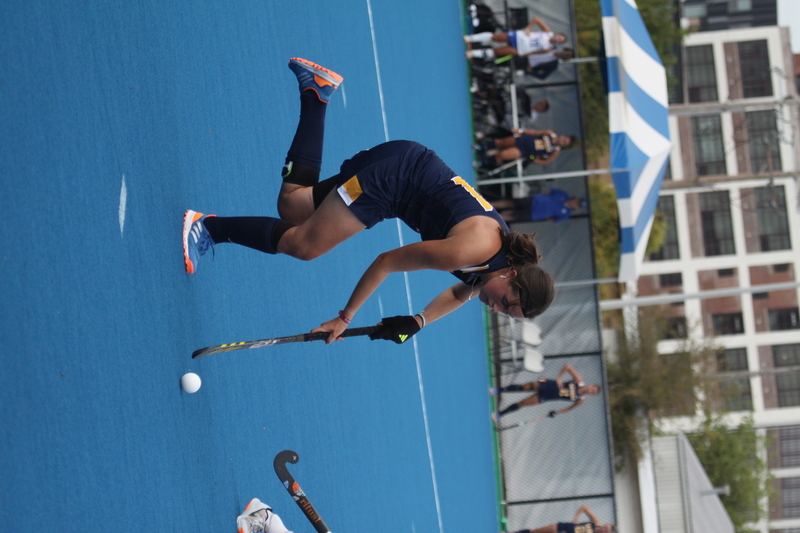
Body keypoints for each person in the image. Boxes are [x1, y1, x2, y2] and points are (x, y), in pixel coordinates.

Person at [183, 58, 555, 345]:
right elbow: (387, 262)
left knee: (294, 207)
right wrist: (344, 318)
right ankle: (208, 227)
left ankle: (316, 94)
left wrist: (419, 321)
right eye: (507, 302)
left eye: (507, 314)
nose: (497, 308)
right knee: (305, 245)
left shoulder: (496, 267)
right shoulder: (475, 248)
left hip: (404, 171)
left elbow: (463, 292)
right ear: (512, 275)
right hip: (394, 178)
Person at [490, 364, 601, 422]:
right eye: (593, 389)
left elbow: (569, 409)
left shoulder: (580, 399)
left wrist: (556, 412)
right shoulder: (579, 381)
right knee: (523, 387)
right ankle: (498, 390)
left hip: (547, 396)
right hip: (548, 384)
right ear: (591, 386)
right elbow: (568, 367)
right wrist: (559, 378)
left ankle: (499, 414)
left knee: (522, 403)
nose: (591, 391)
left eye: (593, 393)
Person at [465, 17, 567, 60]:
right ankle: (470, 38)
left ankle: (473, 54)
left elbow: (534, 53)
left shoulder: (549, 48)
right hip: (519, 37)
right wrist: (527, 29)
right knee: (495, 37)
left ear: (558, 43)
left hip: (520, 49)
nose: (558, 39)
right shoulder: (547, 32)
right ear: (557, 34)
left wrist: (523, 54)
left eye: (560, 40)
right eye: (559, 37)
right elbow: (537, 20)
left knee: (497, 52)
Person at [478, 129, 576, 168]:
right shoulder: (550, 133)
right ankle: (482, 147)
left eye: (565, 143)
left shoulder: (556, 151)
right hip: (524, 140)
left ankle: (484, 161)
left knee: (503, 155)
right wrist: (520, 131)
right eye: (564, 139)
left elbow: (546, 161)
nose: (563, 141)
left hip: (524, 151)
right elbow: (534, 133)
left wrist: (535, 159)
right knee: (501, 142)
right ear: (563, 136)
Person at [490, 188, 586, 223]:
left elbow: (551, 219)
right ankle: (489, 205)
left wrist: (542, 213)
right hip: (534, 201)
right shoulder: (563, 194)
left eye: (577, 205)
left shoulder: (566, 214)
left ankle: (490, 217)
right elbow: (549, 192)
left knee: (512, 216)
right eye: (577, 202)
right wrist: (540, 198)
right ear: (575, 198)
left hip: (534, 214)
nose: (575, 204)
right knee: (511, 203)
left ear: (576, 208)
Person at [509, 505, 616, 533]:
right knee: (536, 531)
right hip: (562, 527)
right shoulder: (596, 522)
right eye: (606, 527)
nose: (604, 529)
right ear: (605, 524)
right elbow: (584, 508)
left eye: (607, 531)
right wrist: (575, 520)